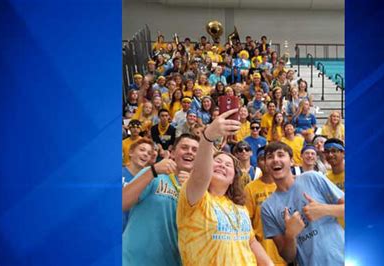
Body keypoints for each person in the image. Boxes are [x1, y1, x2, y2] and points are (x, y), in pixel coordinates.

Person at [176, 109, 273, 265]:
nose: (222, 165)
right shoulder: (195, 197)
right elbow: (201, 176)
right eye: (217, 161)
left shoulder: (239, 207)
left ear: (233, 178)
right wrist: (208, 137)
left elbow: (251, 242)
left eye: (228, 165)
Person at [261, 141, 345, 266]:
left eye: (280, 155)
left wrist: (324, 210)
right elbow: (288, 257)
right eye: (270, 157)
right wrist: (290, 235)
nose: (275, 159)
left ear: (292, 161)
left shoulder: (313, 177)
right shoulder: (267, 207)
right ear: (267, 166)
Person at [122, 134, 200, 266]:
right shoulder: (153, 173)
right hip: (133, 260)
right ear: (173, 153)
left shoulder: (200, 190)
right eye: (184, 147)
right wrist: (153, 171)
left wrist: (191, 188)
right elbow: (122, 202)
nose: (189, 152)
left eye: (195, 150)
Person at [244, 148, 287, 266]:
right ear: (258, 163)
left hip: (286, 251)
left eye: (269, 158)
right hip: (263, 251)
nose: (266, 162)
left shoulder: (286, 184)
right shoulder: (250, 188)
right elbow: (246, 221)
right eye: (262, 159)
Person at [122, 138, 155, 231]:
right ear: (131, 152)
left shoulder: (150, 180)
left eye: (149, 153)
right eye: (142, 150)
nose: (145, 154)